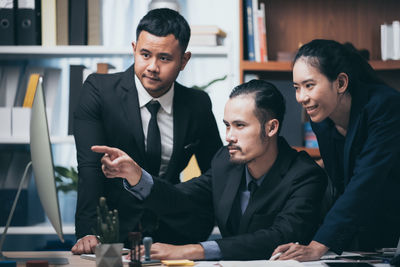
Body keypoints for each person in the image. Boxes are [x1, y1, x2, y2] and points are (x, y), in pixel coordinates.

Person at [92, 80, 328, 260]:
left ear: (271, 127)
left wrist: (193, 250)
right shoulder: (225, 162)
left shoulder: (305, 175)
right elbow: (182, 197)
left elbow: (279, 237)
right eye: (227, 125)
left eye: (240, 126)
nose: (229, 137)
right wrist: (136, 175)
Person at [71, 8, 222, 254]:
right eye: (145, 54)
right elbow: (89, 166)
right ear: (134, 48)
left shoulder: (197, 104)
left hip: (176, 235)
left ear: (184, 60)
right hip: (111, 233)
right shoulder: (99, 91)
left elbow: (217, 172)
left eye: (164, 58)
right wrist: (88, 231)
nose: (152, 67)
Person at [272, 39, 400, 261]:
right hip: (367, 229)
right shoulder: (321, 118)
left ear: (340, 83)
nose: (301, 97)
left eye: (309, 85)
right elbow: (340, 182)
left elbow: (365, 181)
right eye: (296, 88)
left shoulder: (385, 106)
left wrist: (318, 246)